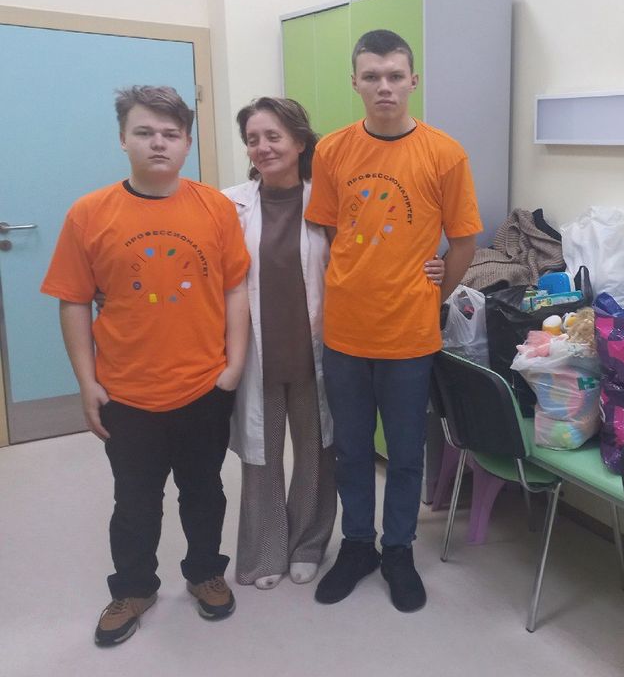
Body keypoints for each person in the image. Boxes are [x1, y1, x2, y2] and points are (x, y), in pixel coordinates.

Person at [40, 86, 250, 646]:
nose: (158, 143)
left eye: (170, 134)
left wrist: (233, 366)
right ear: (122, 139)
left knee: (204, 491)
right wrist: (87, 383)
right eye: (145, 132)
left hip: (204, 386)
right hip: (126, 392)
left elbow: (235, 288)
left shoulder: (216, 208)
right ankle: (133, 588)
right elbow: (72, 301)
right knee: (134, 501)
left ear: (187, 143)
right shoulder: (89, 214)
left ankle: (205, 573)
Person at [223, 97, 445, 590]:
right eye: (253, 139)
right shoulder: (229, 204)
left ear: (300, 142)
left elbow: (370, 251)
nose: (263, 147)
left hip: (319, 347)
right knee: (261, 457)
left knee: (317, 454)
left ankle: (308, 544)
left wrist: (433, 267)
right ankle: (265, 552)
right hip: (259, 351)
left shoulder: (326, 198)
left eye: (274, 136)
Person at [306, 29, 481, 613]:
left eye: (395, 75)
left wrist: (435, 290)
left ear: (413, 81)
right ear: (355, 82)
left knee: (405, 453)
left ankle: (398, 551)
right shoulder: (333, 151)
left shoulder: (444, 154)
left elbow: (464, 239)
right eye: (372, 76)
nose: (384, 86)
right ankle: (358, 545)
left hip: (409, 335)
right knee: (352, 449)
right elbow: (331, 230)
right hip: (345, 333)